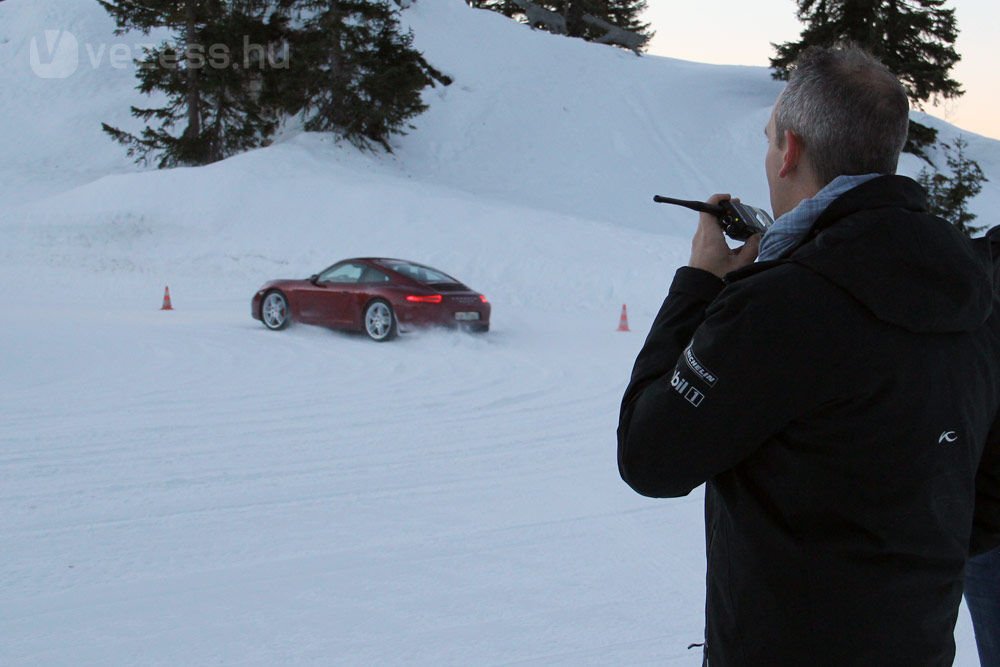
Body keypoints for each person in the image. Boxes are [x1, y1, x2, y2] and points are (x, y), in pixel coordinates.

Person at [617, 44, 1000, 666]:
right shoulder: (971, 285)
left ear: (790, 150)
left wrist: (699, 287)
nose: (769, 157)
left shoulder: (783, 303)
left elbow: (649, 457)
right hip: (916, 645)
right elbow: (990, 491)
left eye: (771, 141)